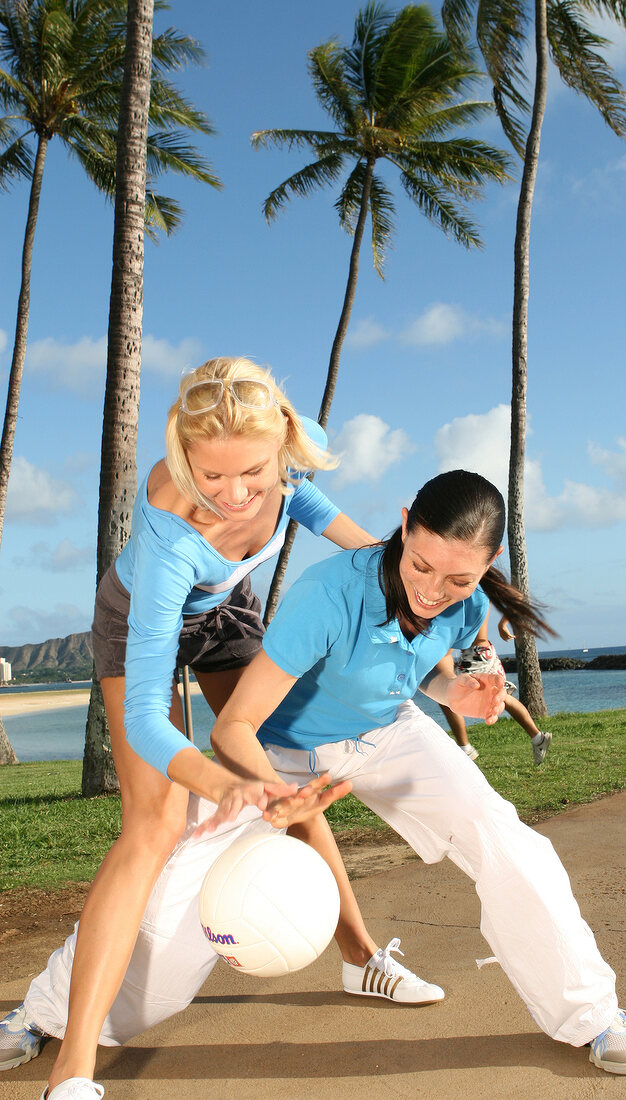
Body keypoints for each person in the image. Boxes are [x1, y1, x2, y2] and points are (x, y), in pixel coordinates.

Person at [6, 471, 626, 1088]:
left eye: (457, 577)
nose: (431, 588)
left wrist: (461, 693)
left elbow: (424, 672)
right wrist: (275, 794)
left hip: (388, 735)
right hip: (279, 753)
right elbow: (235, 726)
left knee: (508, 841)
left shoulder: (466, 599)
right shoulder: (329, 592)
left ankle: (591, 1015)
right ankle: (46, 1012)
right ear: (403, 525)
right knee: (169, 915)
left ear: (489, 561)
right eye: (420, 565)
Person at [0, 358, 441, 1100]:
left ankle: (361, 957)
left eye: (254, 477)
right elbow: (142, 718)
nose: (236, 497)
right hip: (141, 618)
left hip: (223, 614)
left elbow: (337, 530)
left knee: (288, 773)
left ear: (285, 448)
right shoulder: (173, 536)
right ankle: (72, 1065)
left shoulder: (285, 451)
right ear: (184, 457)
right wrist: (220, 781)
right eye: (213, 479)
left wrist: (411, 575)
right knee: (154, 822)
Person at [441, 610, 553, 765]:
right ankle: (538, 738)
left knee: (448, 694)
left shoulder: (475, 587)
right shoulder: (477, 588)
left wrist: (503, 623)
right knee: (502, 697)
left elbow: (516, 597)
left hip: (476, 654)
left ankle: (465, 748)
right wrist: (503, 623)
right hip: (482, 652)